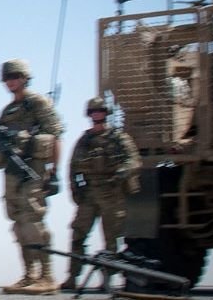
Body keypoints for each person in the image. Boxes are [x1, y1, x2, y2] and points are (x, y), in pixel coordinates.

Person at [0, 59, 63, 295]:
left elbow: (55, 136)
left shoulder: (38, 103)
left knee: (33, 220)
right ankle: (29, 275)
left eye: (15, 76)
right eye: (7, 77)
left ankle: (47, 276)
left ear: (25, 78)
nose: (11, 81)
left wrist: (54, 173)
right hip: (12, 172)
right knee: (17, 222)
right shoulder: (7, 111)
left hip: (33, 169)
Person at [60, 97, 141, 290]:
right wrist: (76, 191)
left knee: (111, 239)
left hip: (111, 193)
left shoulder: (119, 138)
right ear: (89, 114)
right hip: (89, 195)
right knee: (78, 235)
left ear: (106, 113)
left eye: (100, 110)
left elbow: (134, 161)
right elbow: (73, 169)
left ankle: (106, 280)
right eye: (93, 111)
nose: (97, 114)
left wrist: (121, 173)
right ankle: (72, 277)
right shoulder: (84, 141)